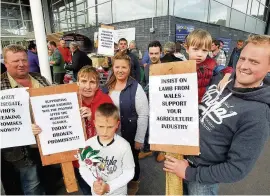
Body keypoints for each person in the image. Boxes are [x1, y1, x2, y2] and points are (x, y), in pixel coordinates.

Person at [164, 34, 270, 195]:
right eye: (242, 59)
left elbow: (236, 169)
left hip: (202, 181)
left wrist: (189, 173)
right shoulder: (220, 78)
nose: (244, 66)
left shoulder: (258, 114)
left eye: (254, 62)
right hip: (180, 158)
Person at [1, 44, 49, 195]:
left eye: (24, 60)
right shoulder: (1, 87)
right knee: (31, 185)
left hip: (46, 144)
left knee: (49, 182)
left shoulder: (39, 79)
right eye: (15, 61)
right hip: (20, 151)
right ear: (6, 63)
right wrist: (23, 128)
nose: (21, 64)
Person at [103, 51, 149, 195]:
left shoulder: (136, 88)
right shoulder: (106, 87)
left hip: (129, 134)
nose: (120, 70)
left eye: (124, 67)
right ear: (113, 68)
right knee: (114, 161)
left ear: (129, 69)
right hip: (110, 135)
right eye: (117, 67)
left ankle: (134, 181)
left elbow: (143, 114)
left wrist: (139, 139)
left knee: (132, 161)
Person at [78, 103, 135, 195]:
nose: (105, 132)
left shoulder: (124, 146)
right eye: (101, 126)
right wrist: (93, 183)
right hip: (97, 192)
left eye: (110, 127)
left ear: (117, 124)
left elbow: (129, 172)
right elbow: (83, 167)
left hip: (118, 193)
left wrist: (109, 186)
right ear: (94, 123)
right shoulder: (87, 145)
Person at [73, 66, 113, 195]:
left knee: (103, 190)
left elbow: (113, 128)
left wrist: (93, 117)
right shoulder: (70, 100)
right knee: (86, 190)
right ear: (77, 83)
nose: (87, 86)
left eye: (92, 82)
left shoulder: (105, 100)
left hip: (101, 157)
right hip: (78, 159)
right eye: (84, 81)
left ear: (97, 85)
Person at [185, 29, 233, 102]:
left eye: (204, 50)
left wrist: (225, 78)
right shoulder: (181, 67)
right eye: (195, 49)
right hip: (188, 102)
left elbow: (227, 69)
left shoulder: (211, 63)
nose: (199, 54)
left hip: (205, 102)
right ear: (187, 49)